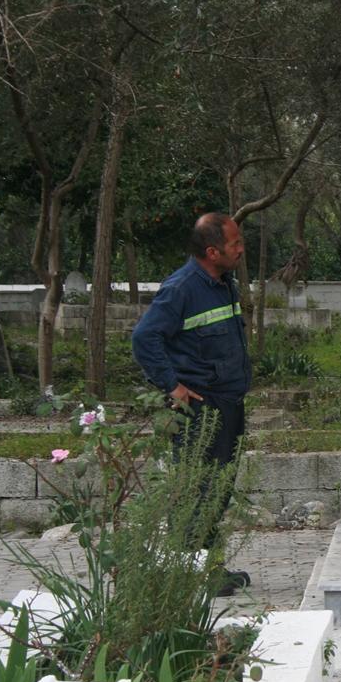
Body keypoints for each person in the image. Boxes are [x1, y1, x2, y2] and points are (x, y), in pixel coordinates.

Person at [131, 212, 252, 595]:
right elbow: (144, 338)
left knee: (217, 490)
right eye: (235, 244)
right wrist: (173, 387)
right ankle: (189, 574)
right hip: (201, 409)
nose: (241, 249)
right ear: (212, 251)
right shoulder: (182, 288)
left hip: (228, 403)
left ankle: (208, 568)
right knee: (196, 490)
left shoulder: (224, 284)